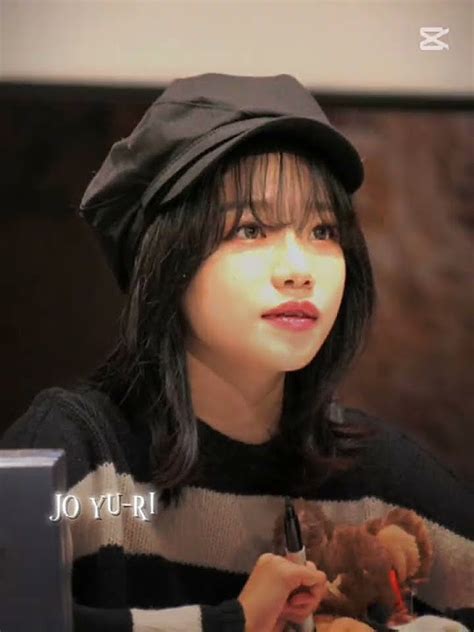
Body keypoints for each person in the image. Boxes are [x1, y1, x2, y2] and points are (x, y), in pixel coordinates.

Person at [1, 73, 473, 632]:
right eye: (251, 230)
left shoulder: (378, 479)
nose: (299, 269)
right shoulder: (80, 460)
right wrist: (233, 622)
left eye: (323, 230)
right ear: (166, 258)